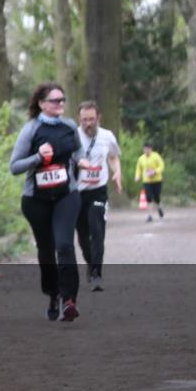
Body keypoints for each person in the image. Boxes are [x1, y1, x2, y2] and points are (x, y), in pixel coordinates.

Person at [9, 82, 82, 322]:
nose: (60, 104)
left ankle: (70, 299)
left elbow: (78, 154)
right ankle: (53, 293)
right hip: (36, 200)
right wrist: (38, 158)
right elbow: (14, 167)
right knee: (46, 250)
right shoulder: (31, 130)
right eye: (55, 100)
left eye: (62, 100)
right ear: (42, 103)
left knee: (64, 245)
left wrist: (81, 165)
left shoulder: (70, 126)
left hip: (66, 195)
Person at [74, 101, 121, 292]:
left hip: (98, 191)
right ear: (80, 119)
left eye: (91, 119)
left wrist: (117, 172)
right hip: (76, 192)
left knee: (97, 230)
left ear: (98, 118)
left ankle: (97, 274)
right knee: (83, 237)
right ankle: (90, 263)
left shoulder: (107, 136)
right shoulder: (73, 136)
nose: (88, 123)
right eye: (84, 120)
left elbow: (113, 156)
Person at [134, 143, 165, 222]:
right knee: (148, 197)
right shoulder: (141, 158)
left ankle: (159, 208)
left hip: (157, 180)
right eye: (145, 149)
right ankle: (150, 215)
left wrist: (155, 171)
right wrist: (137, 176)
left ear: (151, 149)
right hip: (147, 181)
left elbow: (161, 165)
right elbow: (138, 169)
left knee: (156, 197)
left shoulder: (156, 156)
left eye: (148, 149)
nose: (146, 151)